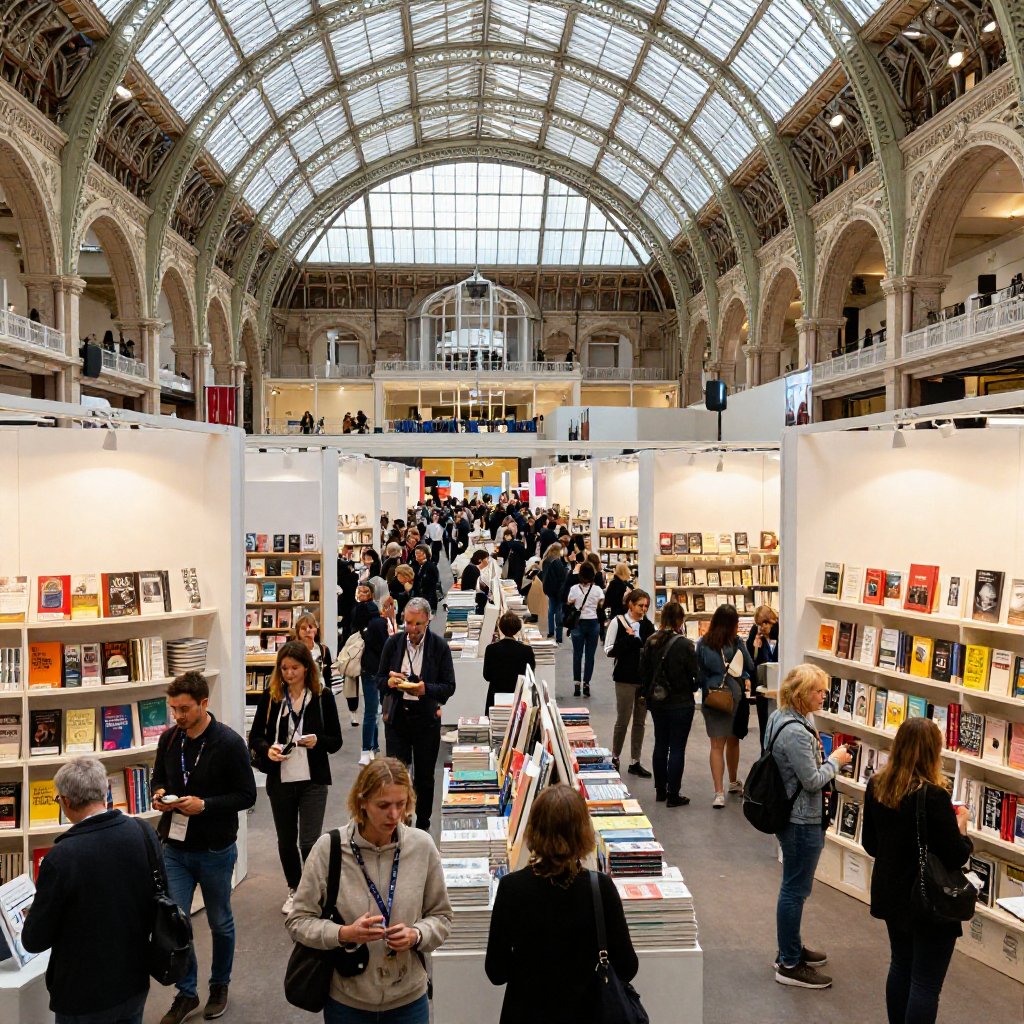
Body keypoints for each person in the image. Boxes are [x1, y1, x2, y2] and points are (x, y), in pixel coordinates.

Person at [286, 758, 453, 1024]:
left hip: (408, 1000)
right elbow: (297, 921)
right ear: (362, 802)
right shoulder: (328, 849)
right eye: (384, 805)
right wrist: (343, 934)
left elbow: (442, 917)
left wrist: (417, 934)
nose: (395, 815)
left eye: (401, 804)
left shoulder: (422, 847)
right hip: (347, 1002)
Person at [151, 671, 257, 1024]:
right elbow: (159, 778)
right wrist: (159, 796)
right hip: (175, 848)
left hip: (214, 848)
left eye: (184, 709)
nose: (178, 716)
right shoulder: (169, 740)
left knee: (219, 921)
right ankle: (187, 992)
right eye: (173, 709)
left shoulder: (228, 743)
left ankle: (219, 985)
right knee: (176, 922)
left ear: (203, 704)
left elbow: (247, 795)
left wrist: (205, 806)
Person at [485, 785, 637, 1023]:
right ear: (583, 832)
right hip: (589, 1013)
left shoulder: (512, 888)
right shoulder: (601, 889)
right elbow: (628, 967)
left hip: (526, 1013)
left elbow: (496, 972)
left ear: (533, 830)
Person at [21, 757, 158, 1024]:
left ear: (66, 803)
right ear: (105, 789)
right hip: (135, 979)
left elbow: (35, 939)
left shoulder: (61, 858)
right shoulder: (143, 832)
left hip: (83, 994)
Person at [863, 718, 972, 1022]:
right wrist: (962, 828)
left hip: (891, 893)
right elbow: (955, 855)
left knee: (901, 966)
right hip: (928, 900)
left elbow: (871, 844)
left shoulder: (877, 785)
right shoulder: (934, 796)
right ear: (932, 752)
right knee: (925, 982)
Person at [767, 664, 852, 990]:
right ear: (802, 694)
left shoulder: (780, 718)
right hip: (801, 819)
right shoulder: (796, 732)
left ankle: (791, 947)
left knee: (794, 888)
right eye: (818, 691)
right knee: (795, 890)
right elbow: (813, 780)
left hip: (793, 815)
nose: (823, 696)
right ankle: (789, 962)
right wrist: (837, 761)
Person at [248, 640, 342, 915]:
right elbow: (256, 737)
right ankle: (295, 888)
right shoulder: (272, 697)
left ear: (306, 669)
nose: (289, 673)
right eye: (284, 668)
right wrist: (269, 749)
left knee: (309, 841)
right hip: (281, 778)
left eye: (295, 668)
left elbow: (335, 741)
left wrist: (317, 741)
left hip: (313, 779)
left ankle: (312, 890)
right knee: (286, 839)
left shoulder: (322, 697)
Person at [377, 598, 456, 831]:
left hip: (426, 721)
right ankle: (399, 822)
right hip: (397, 720)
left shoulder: (439, 647)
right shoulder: (393, 644)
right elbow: (379, 680)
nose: (412, 629)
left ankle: (423, 823)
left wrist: (426, 689)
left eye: (417, 624)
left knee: (424, 777)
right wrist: (390, 682)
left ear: (428, 621)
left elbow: (449, 686)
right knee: (397, 775)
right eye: (408, 623)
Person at [639, 602, 699, 806]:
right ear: (680, 620)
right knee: (677, 748)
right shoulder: (685, 645)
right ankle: (674, 793)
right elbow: (695, 675)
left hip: (657, 702)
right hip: (681, 702)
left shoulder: (650, 641)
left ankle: (660, 790)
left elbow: (644, 673)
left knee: (660, 743)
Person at [696, 604, 756, 808]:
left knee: (716, 745)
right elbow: (749, 665)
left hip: (713, 696)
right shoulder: (737, 642)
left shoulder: (704, 642)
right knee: (733, 739)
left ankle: (718, 793)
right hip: (734, 695)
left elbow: (699, 670)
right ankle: (733, 780)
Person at [604, 588, 655, 775]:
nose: (643, 609)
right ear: (631, 605)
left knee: (640, 722)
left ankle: (635, 760)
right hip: (624, 678)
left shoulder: (648, 625)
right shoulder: (618, 622)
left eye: (646, 606)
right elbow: (609, 650)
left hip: (642, 680)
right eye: (641, 605)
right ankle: (615, 756)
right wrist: (628, 640)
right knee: (623, 719)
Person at [359, 598, 394, 765]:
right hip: (377, 672)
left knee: (372, 711)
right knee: (373, 712)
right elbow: (387, 646)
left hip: (368, 670)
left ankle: (372, 747)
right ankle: (366, 748)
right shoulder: (380, 624)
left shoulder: (365, 625)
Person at [482, 611, 536, 715]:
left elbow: (487, 676)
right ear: (517, 629)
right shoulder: (526, 650)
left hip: (495, 696)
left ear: (500, 628)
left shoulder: (491, 649)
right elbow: (530, 676)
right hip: (518, 697)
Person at [566, 561, 604, 698]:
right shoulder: (598, 590)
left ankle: (576, 684)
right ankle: (586, 684)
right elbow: (601, 604)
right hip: (593, 623)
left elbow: (569, 602)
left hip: (578, 624)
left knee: (577, 654)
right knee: (590, 656)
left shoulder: (574, 589)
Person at [747, 605, 780, 751]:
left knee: (778, 725)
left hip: (779, 684)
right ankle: (764, 757)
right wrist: (754, 646)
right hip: (762, 685)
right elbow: (751, 659)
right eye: (759, 624)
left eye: (765, 623)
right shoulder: (755, 632)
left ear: (772, 621)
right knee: (764, 726)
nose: (762, 628)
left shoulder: (780, 631)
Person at [541, 542, 569, 643]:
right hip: (558, 590)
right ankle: (559, 636)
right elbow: (562, 576)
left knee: (551, 610)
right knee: (558, 611)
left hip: (548, 589)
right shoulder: (557, 561)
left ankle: (551, 631)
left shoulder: (546, 560)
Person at [412, 543, 440, 611]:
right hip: (419, 599)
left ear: (426, 554)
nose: (417, 555)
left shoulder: (431, 566)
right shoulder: (415, 566)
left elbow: (434, 583)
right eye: (416, 553)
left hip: (428, 599)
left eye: (419, 553)